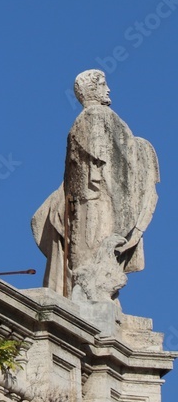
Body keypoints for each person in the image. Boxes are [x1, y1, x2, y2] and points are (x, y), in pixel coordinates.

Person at [32, 70, 159, 303]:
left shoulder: (92, 118)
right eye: (103, 84)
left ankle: (91, 294)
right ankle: (92, 297)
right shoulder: (95, 115)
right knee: (94, 254)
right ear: (91, 89)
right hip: (93, 201)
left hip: (91, 200)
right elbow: (101, 164)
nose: (108, 89)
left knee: (95, 253)